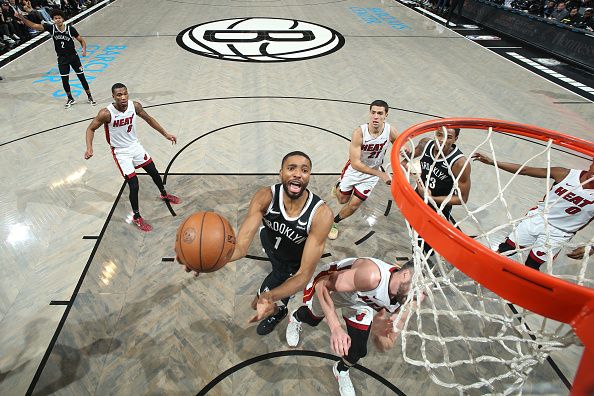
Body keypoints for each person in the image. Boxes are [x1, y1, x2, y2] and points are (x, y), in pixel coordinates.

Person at [179, 151, 334, 336]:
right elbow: (241, 247)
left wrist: (269, 297)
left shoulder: (321, 215)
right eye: (291, 168)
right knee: (263, 290)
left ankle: (279, 312)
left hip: (292, 264)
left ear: (309, 176)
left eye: (304, 170)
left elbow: (303, 276)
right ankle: (276, 302)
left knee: (257, 302)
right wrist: (208, 258)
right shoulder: (264, 197)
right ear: (281, 173)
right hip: (270, 245)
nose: (298, 174)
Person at [285, 257, 422, 396]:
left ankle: (340, 370)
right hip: (335, 289)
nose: (420, 297)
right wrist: (336, 327)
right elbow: (322, 284)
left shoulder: (409, 302)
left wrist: (377, 334)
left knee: (358, 350)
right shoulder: (372, 275)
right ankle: (295, 317)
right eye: (420, 289)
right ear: (406, 275)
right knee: (312, 318)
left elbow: (386, 343)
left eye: (425, 293)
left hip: (360, 302)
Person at [84, 83, 180, 232]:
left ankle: (164, 194)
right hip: (121, 152)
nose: (123, 97)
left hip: (135, 146)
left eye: (125, 94)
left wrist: (166, 134)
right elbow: (90, 129)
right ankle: (136, 217)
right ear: (113, 97)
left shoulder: (135, 106)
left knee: (153, 171)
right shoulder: (106, 113)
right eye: (119, 95)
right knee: (134, 184)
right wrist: (90, 148)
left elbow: (149, 119)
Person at [472, 154, 594, 270]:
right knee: (506, 248)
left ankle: (520, 289)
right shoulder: (564, 174)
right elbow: (525, 170)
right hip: (538, 218)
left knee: (532, 265)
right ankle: (479, 269)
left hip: (560, 232)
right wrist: (493, 162)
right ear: (591, 163)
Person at [328, 100, 398, 240]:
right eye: (373, 113)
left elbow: (401, 147)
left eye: (380, 113)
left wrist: (407, 154)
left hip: (370, 176)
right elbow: (355, 164)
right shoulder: (359, 132)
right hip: (355, 171)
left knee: (353, 205)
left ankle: (334, 223)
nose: (376, 117)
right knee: (342, 200)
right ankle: (338, 186)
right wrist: (381, 174)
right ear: (369, 113)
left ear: (386, 115)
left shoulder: (390, 131)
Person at [407, 127, 471, 255]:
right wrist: (406, 154)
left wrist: (431, 198)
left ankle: (423, 268)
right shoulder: (425, 144)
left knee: (427, 245)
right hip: (418, 199)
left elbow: (462, 199)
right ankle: (414, 261)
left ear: (455, 140)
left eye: (449, 137)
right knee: (414, 234)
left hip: (438, 209)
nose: (442, 140)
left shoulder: (459, 163)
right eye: (440, 135)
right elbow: (407, 159)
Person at [15, 8, 96, 108]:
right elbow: (34, 26)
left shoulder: (70, 29)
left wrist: (84, 49)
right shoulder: (51, 28)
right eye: (55, 18)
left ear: (63, 19)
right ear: (53, 19)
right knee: (65, 80)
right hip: (62, 59)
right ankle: (70, 98)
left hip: (73, 57)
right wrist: (22, 18)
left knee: (81, 77)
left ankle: (90, 97)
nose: (57, 20)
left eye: (59, 18)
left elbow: (82, 40)